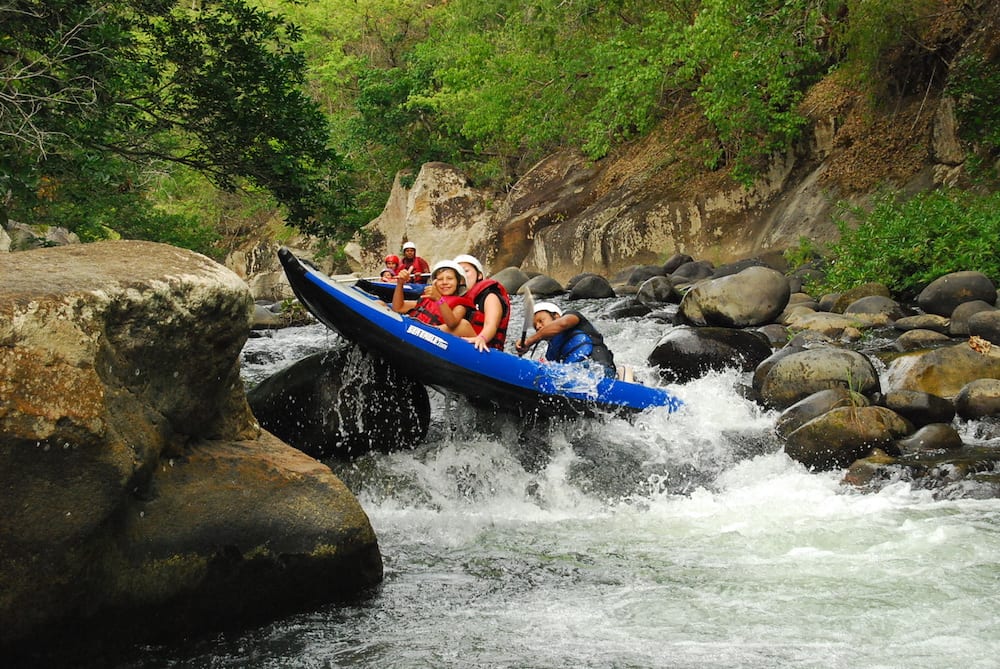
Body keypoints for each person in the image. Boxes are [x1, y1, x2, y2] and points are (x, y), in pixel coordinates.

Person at [515, 302, 617, 378]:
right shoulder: (550, 353)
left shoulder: (573, 316)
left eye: (541, 321)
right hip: (579, 378)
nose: (537, 327)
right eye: (534, 325)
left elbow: (563, 323)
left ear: (556, 316)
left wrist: (529, 341)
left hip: (602, 370)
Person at [392, 260, 472, 331]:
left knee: (463, 324)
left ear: (459, 282)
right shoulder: (428, 299)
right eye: (440, 279)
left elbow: (452, 324)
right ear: (435, 283)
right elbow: (398, 307)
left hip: (431, 338)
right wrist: (400, 283)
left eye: (450, 278)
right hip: (412, 328)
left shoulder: (460, 306)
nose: (444, 282)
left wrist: (438, 299)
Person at [454, 254, 511, 352]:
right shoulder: (458, 298)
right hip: (461, 344)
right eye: (458, 273)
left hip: (484, 348)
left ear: (479, 275)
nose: (463, 275)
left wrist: (482, 338)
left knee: (462, 324)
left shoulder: (490, 296)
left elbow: (491, 324)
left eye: (466, 271)